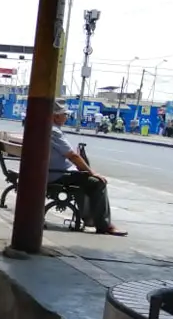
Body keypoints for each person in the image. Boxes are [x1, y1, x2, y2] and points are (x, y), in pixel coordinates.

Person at [49, 100, 127, 236]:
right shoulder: (54, 131)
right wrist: (91, 172)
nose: (66, 117)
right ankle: (104, 225)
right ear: (56, 116)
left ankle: (89, 218)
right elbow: (72, 155)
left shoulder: (49, 129)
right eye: (64, 115)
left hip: (51, 172)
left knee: (84, 179)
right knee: (97, 182)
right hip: (56, 174)